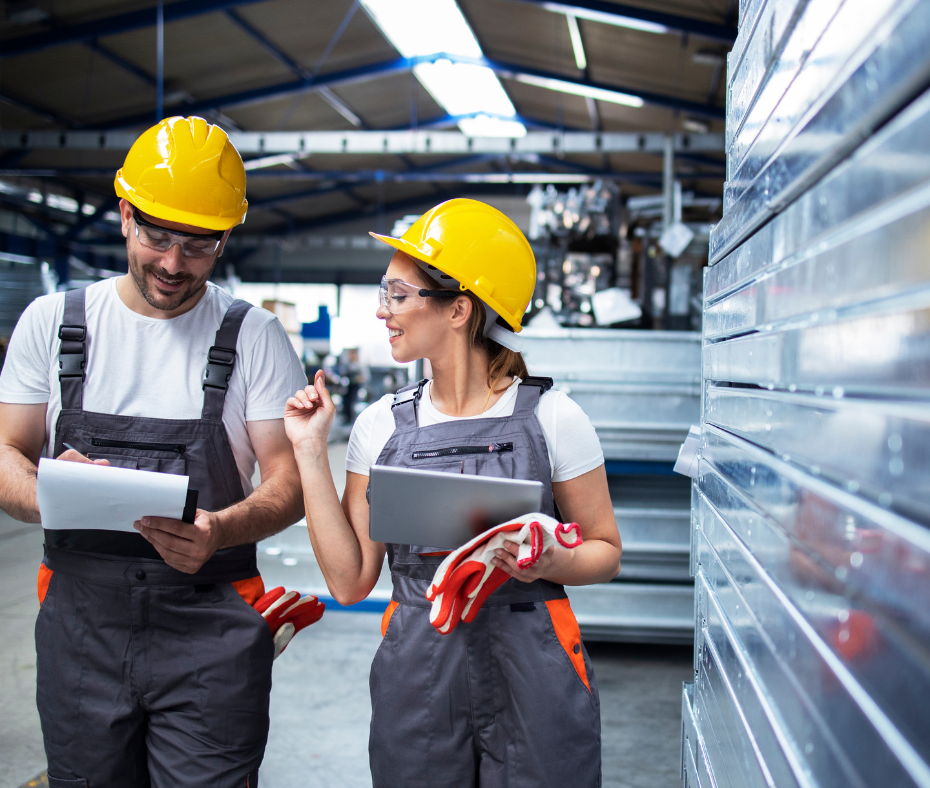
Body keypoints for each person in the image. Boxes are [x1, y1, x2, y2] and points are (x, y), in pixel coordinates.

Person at [0, 116, 308, 787]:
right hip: (81, 632)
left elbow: (290, 481)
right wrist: (49, 491)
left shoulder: (253, 337)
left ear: (225, 240)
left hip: (211, 633)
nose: (172, 264)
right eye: (157, 237)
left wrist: (220, 530)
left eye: (197, 246)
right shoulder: (52, 325)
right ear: (124, 216)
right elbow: (5, 454)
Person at [284, 198, 622, 786]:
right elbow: (349, 581)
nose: (383, 310)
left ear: (459, 308)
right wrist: (310, 452)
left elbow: (606, 552)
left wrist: (553, 559)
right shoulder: (380, 426)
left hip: (535, 667)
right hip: (419, 673)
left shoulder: (555, 417)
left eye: (397, 294)